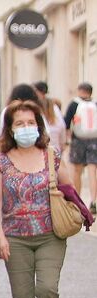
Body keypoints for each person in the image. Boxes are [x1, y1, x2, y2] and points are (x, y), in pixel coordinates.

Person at [0, 101, 74, 298]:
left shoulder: (51, 154)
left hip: (50, 235)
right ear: (10, 129)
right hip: (15, 237)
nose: (25, 128)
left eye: (30, 123)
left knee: (48, 291)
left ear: (38, 125)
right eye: (19, 123)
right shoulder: (1, 160)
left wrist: (63, 192)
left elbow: (70, 186)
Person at [64, 82, 97, 214]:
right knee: (93, 170)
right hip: (95, 140)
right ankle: (94, 201)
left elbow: (67, 123)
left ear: (79, 90)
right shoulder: (95, 104)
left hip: (78, 141)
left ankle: (78, 201)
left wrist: (67, 139)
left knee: (76, 170)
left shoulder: (74, 104)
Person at [33, 81, 65, 154]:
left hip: (40, 151)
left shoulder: (34, 108)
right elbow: (62, 126)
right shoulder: (54, 107)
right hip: (55, 149)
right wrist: (62, 144)